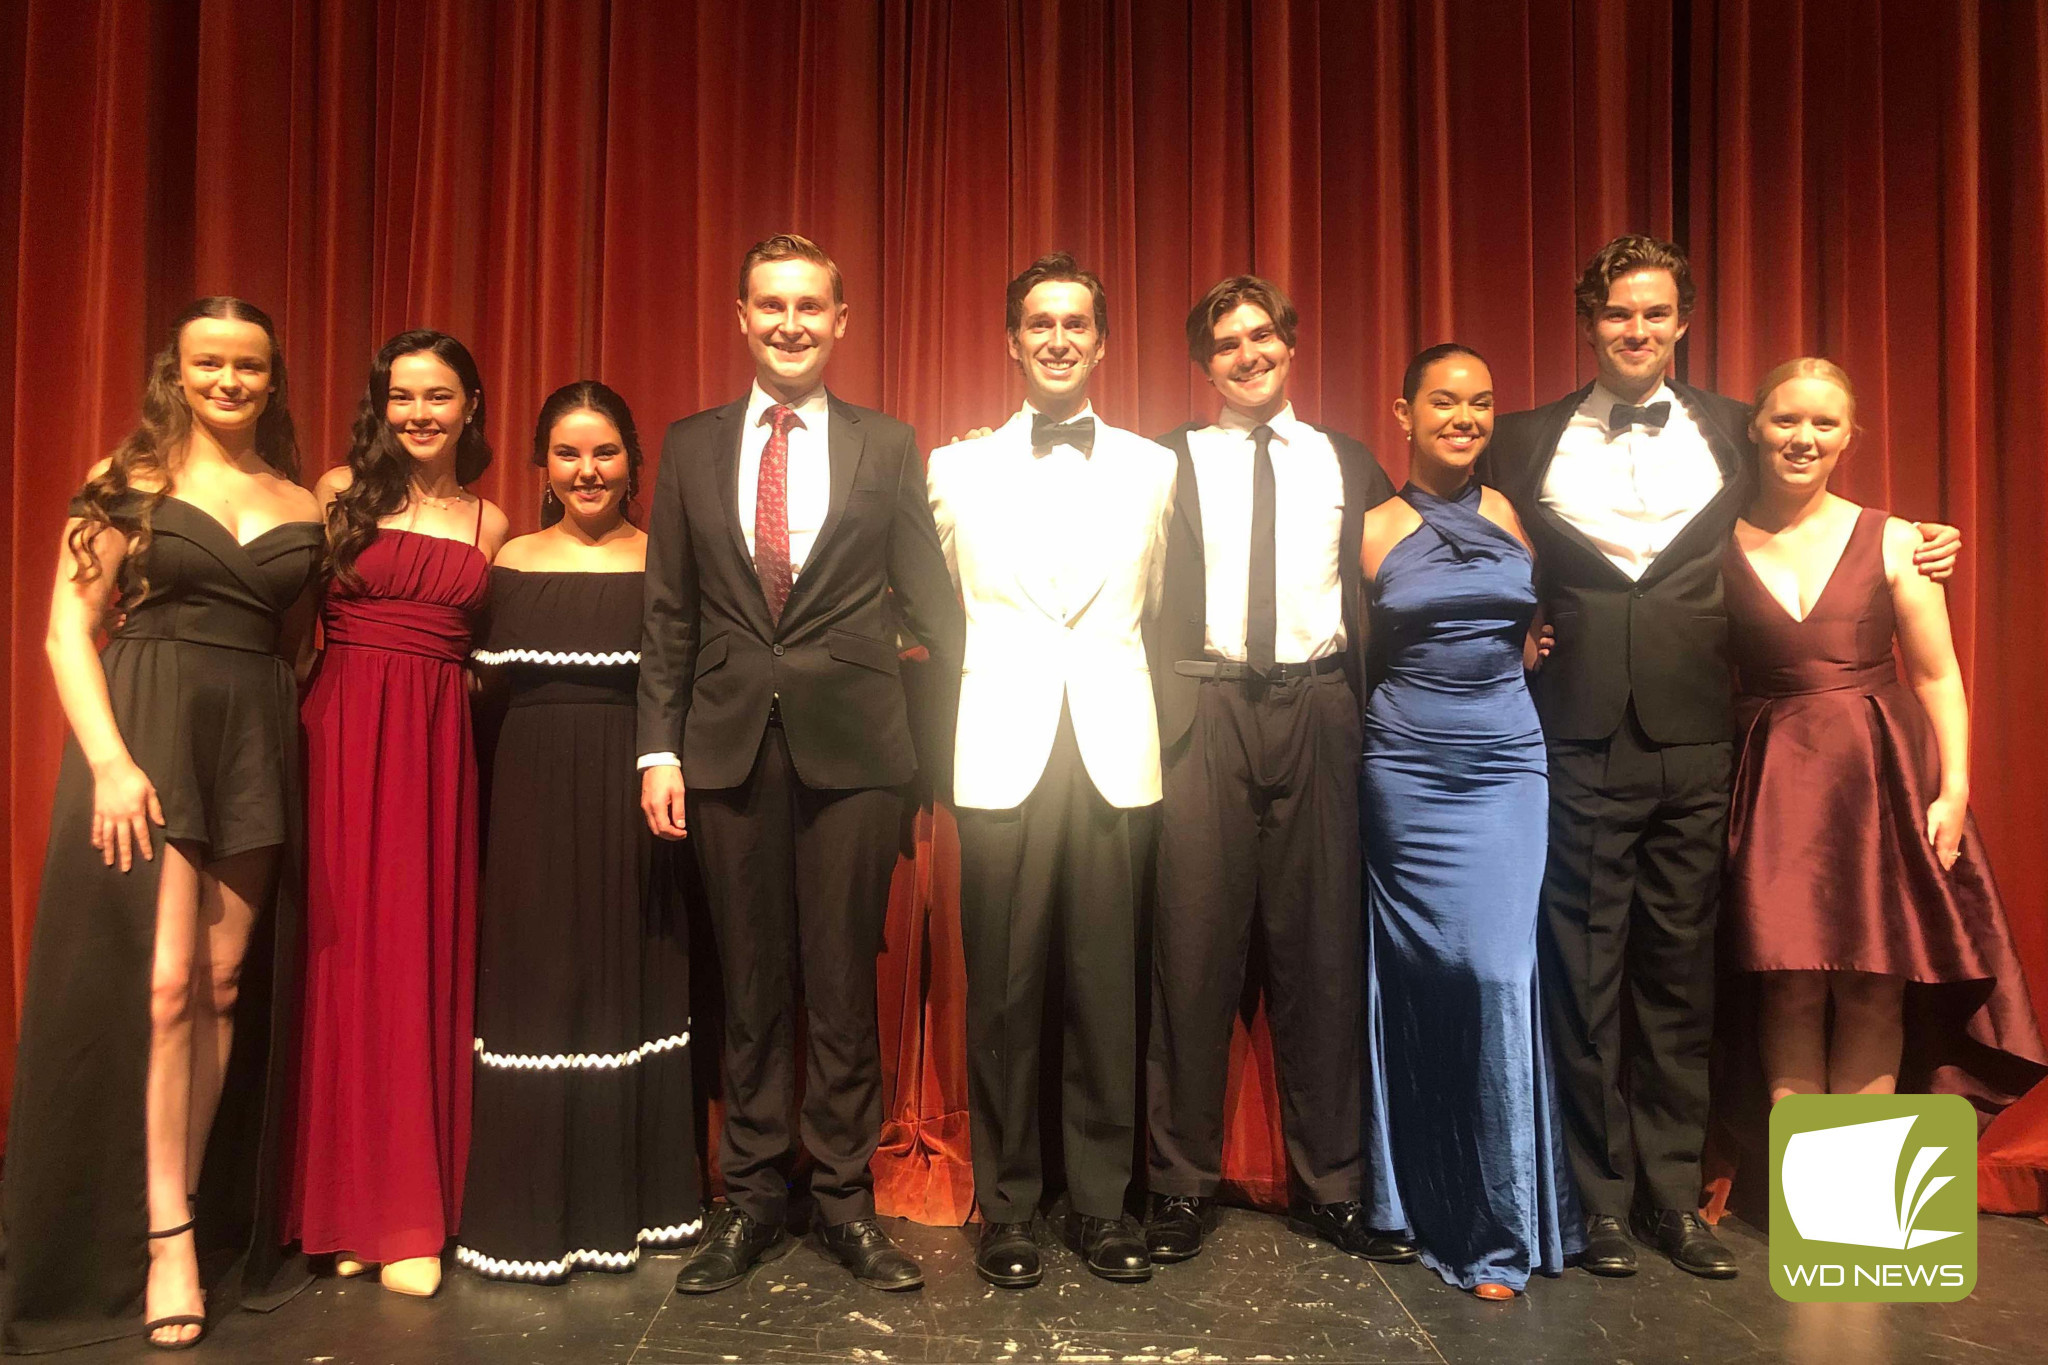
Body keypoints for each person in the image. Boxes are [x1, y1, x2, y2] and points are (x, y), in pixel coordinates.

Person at [1480, 235, 1961, 1280]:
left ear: (1681, 322)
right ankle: (1594, 1205)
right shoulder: (1517, 442)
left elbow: (1811, 496)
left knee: (1676, 984)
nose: (1636, 331)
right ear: (1587, 318)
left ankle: (1668, 1196)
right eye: (1616, 313)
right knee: (1584, 981)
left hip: (1704, 741)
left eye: (1654, 314)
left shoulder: (1734, 436)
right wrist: (1506, 626)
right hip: (1575, 736)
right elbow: (1454, 531)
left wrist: (1919, 536)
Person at [638, 233, 962, 1295]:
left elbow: (935, 612)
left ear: (840, 321)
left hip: (858, 756)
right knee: (749, 985)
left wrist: (919, 746)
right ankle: (749, 1202)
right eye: (770, 305)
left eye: (809, 306)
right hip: (723, 748)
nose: (789, 323)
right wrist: (658, 747)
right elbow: (670, 616)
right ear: (740, 317)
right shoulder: (689, 446)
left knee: (838, 982)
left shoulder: (885, 444)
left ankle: (841, 1200)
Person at [3, 298, 322, 1351]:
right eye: (209, 364)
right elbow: (65, 628)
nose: (229, 382)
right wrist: (107, 760)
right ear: (175, 373)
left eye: (248, 367)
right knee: (166, 985)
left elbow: (301, 638)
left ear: (272, 380)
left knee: (225, 984)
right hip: (147, 724)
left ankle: (185, 1192)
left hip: (253, 732)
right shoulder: (126, 480)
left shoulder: (298, 498)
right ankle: (166, 1236)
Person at [1143, 275, 1414, 1267]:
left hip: (1319, 707)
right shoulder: (1163, 462)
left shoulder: (1346, 460)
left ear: (1290, 345)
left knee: (1321, 956)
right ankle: (1176, 1184)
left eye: (1261, 335)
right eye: (1224, 343)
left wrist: (1525, 617)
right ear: (1200, 363)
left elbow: (1419, 559)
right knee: (1191, 950)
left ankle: (1332, 1186)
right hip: (1203, 708)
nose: (1246, 354)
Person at [928, 252, 1176, 1288]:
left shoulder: (1154, 467)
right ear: (1011, 340)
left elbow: (1155, 604)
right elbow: (942, 604)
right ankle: (1013, 1207)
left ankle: (1103, 1204)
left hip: (1114, 745)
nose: (1058, 338)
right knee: (1007, 989)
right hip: (1000, 745)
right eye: (1039, 322)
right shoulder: (952, 467)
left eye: (1076, 322)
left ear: (1103, 342)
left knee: (1105, 988)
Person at [1720, 358, 2045, 1105]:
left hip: (1880, 775)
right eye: (1786, 419)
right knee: (1788, 986)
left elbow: (1936, 676)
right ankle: (1805, 1198)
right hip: (1769, 780)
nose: (1803, 437)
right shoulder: (1712, 543)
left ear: (1847, 439)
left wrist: (1954, 789)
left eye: (1823, 424)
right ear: (1755, 427)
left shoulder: (1900, 540)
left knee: (1875, 985)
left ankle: (1855, 1209)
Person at [457, 381, 705, 1282]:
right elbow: (479, 701)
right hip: (527, 794)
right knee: (540, 979)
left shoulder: (667, 560)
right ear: (543, 464)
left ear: (635, 462)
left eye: (605, 452)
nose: (587, 470)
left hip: (638, 791)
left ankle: (633, 1212)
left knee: (627, 977)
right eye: (567, 453)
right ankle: (527, 1217)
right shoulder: (510, 560)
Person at [285, 329, 509, 1299]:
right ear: (380, 407)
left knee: (416, 961)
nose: (419, 413)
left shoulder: (492, 522)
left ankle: (408, 1212)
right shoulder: (337, 494)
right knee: (343, 964)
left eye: (439, 396)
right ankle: (343, 1209)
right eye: (402, 396)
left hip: (433, 747)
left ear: (470, 408)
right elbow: (287, 624)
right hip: (339, 734)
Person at [1359, 344, 1579, 1299]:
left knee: (1496, 974)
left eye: (1481, 402)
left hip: (1505, 764)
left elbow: (1556, 608)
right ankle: (1406, 1198)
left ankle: (1497, 1226)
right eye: (1443, 401)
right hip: (1405, 767)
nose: (1464, 415)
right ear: (1401, 412)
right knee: (1420, 978)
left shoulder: (1514, 511)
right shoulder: (1365, 528)